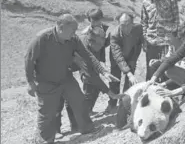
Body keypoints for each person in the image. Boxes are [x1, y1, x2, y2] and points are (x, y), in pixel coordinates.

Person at [24, 14, 118, 144]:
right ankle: (44, 139)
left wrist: (103, 71)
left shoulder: (73, 39)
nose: (75, 33)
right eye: (73, 30)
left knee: (79, 100)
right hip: (46, 81)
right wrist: (30, 82)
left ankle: (87, 128)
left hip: (65, 77)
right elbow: (29, 60)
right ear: (60, 27)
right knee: (47, 112)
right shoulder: (41, 39)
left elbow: (87, 55)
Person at [55, 9, 114, 135]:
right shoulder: (83, 39)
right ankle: (56, 130)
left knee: (75, 97)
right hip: (64, 70)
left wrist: (103, 70)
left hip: (80, 67)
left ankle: (77, 124)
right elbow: (88, 67)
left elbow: (93, 56)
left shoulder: (101, 32)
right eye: (94, 20)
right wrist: (109, 91)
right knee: (62, 99)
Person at [141, 0, 185, 82]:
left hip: (167, 43)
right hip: (151, 43)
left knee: (166, 71)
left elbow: (176, 21)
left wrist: (171, 35)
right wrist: (144, 39)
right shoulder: (146, 2)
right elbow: (144, 22)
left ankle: (168, 95)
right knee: (151, 72)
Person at [105, 11, 143, 113]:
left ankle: (124, 105)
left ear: (133, 23)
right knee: (115, 80)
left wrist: (133, 60)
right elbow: (118, 56)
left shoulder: (138, 28)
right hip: (116, 59)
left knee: (129, 82)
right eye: (122, 25)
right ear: (118, 23)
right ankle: (112, 104)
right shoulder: (114, 35)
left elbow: (139, 45)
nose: (126, 28)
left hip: (131, 56)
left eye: (128, 24)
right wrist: (128, 72)